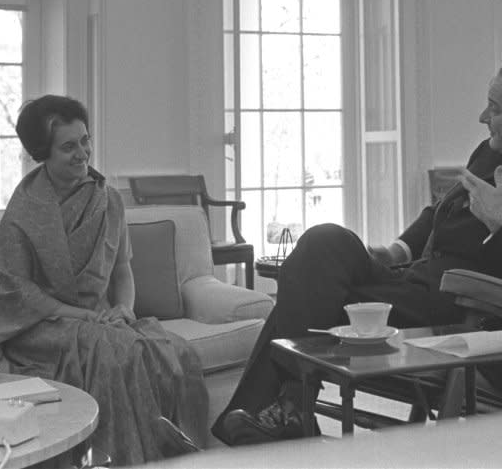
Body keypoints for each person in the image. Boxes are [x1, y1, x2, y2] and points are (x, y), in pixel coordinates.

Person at [211, 69, 502, 446]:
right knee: (324, 241)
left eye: (493, 108)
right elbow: (438, 211)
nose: (482, 117)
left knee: (304, 299)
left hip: (465, 308)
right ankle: (288, 414)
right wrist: (396, 249)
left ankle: (274, 423)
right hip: (417, 284)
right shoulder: (487, 151)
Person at [0, 94, 208, 465]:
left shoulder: (107, 199)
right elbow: (15, 289)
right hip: (39, 324)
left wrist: (124, 309)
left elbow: (123, 270)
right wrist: (81, 316)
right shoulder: (26, 208)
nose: (82, 153)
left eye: (85, 140)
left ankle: (179, 455)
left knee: (175, 351)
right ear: (42, 153)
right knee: (113, 355)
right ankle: (122, 458)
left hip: (99, 317)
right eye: (68, 146)